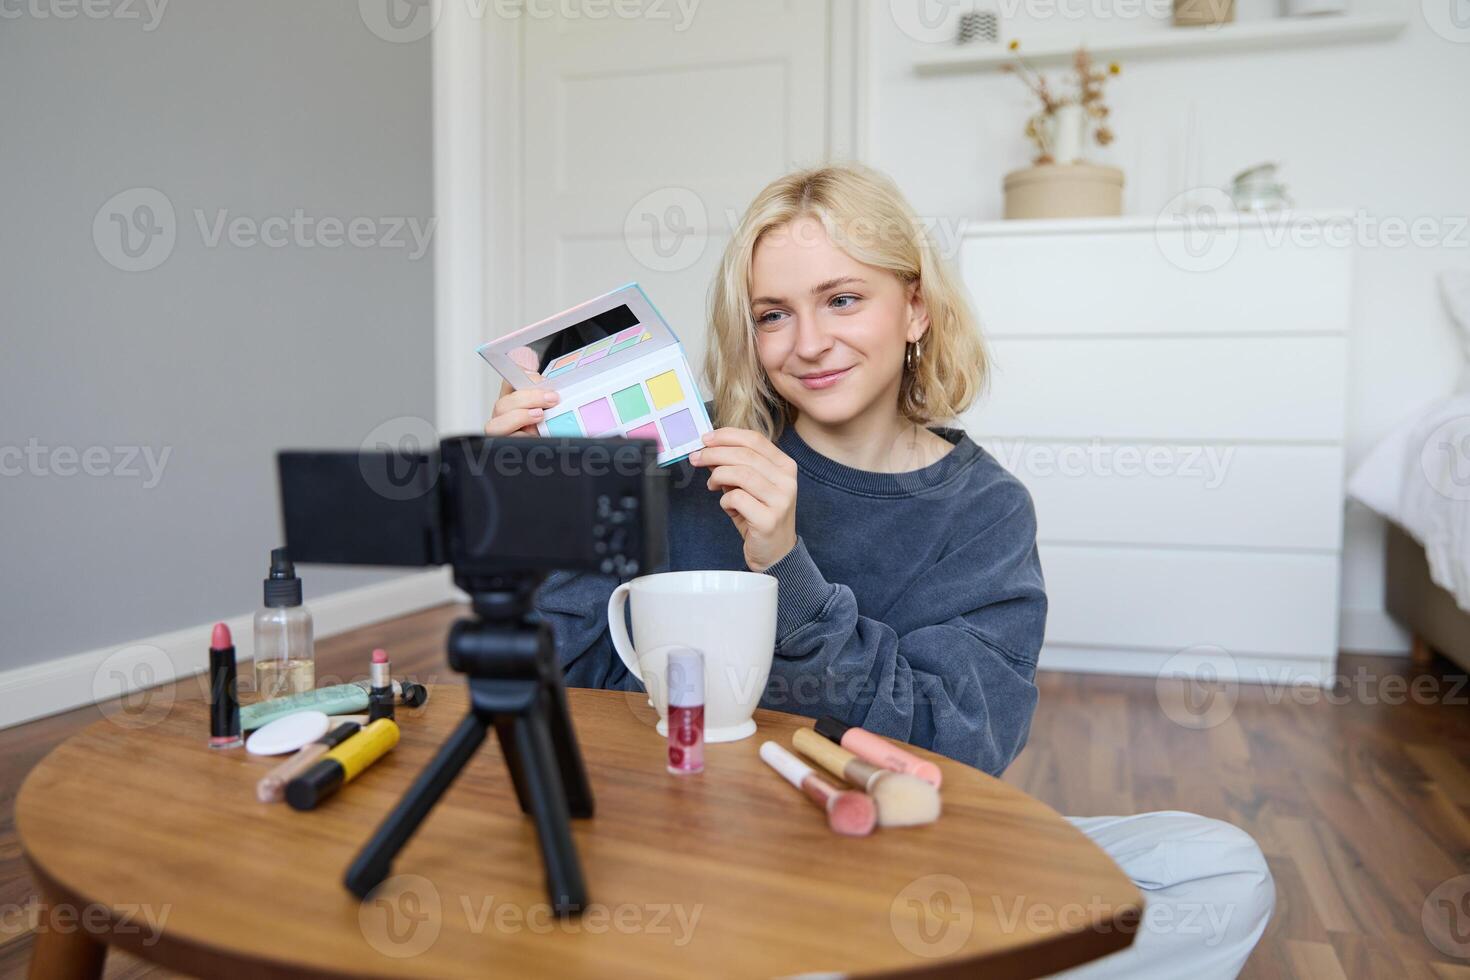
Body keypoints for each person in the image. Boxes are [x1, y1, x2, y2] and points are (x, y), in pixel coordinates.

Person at [485, 164, 1274, 977]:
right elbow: (566, 695)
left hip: (884, 849)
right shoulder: (683, 461)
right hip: (691, 841)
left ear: (917, 309)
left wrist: (784, 567)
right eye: (773, 315)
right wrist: (544, 518)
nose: (811, 342)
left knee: (1217, 865)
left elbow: (959, 751)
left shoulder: (984, 509)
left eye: (844, 299)